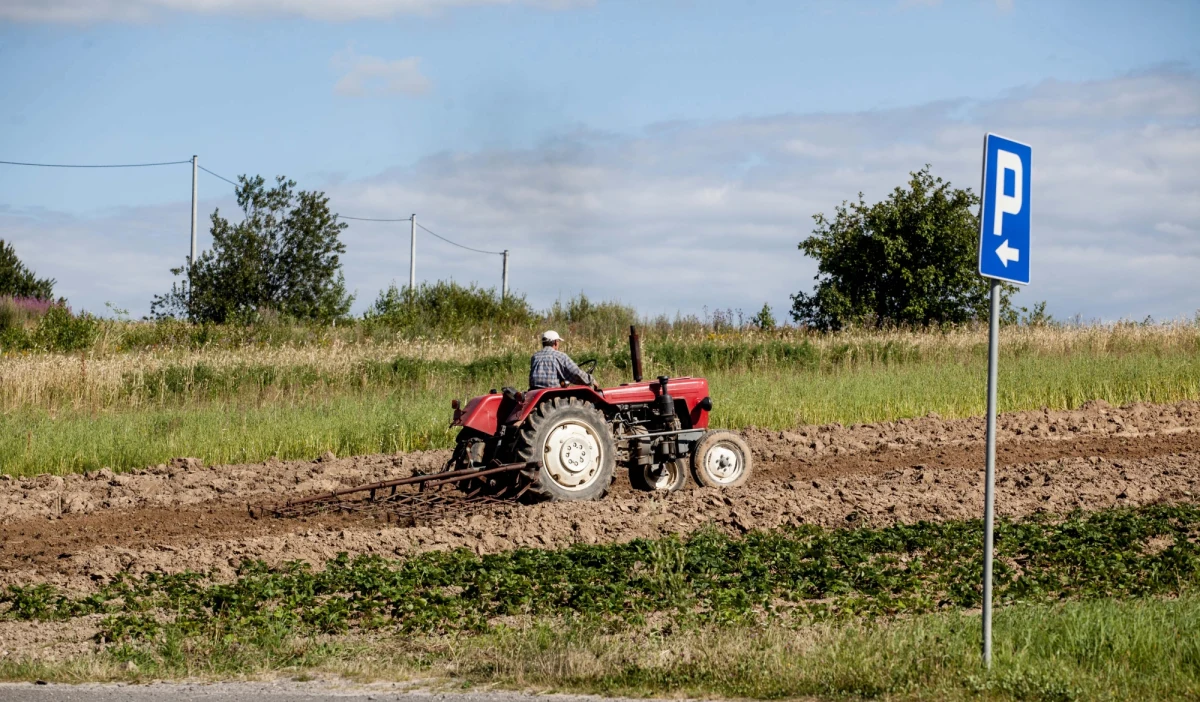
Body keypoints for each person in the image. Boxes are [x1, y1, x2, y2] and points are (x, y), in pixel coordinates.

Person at [529, 330, 599, 390]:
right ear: (556, 342)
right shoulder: (560, 356)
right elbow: (575, 373)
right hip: (553, 393)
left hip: (535, 392)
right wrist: (591, 380)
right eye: (559, 341)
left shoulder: (535, 357)